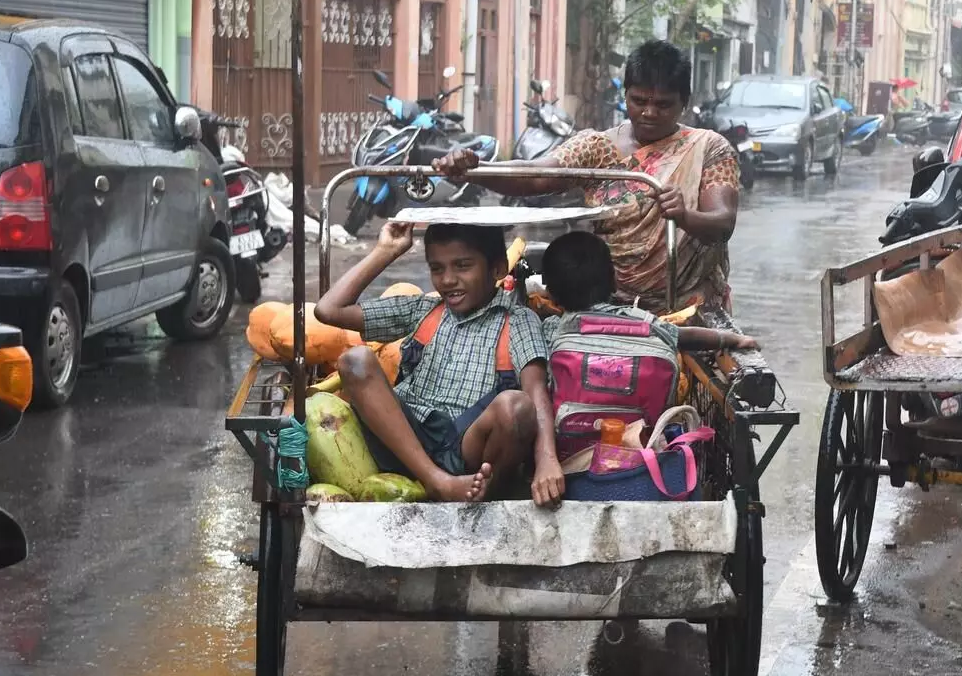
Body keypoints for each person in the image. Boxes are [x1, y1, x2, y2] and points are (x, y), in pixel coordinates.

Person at [433, 39, 740, 313]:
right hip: (610, 305)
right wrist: (475, 169)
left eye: (662, 104)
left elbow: (722, 222)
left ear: (683, 102)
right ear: (626, 96)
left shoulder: (709, 148)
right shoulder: (597, 147)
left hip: (687, 306)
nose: (649, 112)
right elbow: (537, 175)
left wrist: (685, 216)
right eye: (639, 101)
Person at [314, 222, 565, 506]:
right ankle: (437, 483)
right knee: (354, 360)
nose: (447, 280)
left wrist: (547, 460)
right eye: (437, 268)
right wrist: (386, 250)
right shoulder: (424, 309)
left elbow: (536, 392)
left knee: (516, 407)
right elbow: (328, 310)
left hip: (467, 448)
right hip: (405, 437)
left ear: (496, 269)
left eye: (462, 266)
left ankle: (483, 494)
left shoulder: (517, 320)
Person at [539, 231, 760, 353]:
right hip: (639, 423)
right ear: (614, 281)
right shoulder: (638, 321)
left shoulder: (553, 329)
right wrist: (730, 339)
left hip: (570, 422)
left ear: (551, 294)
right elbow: (685, 337)